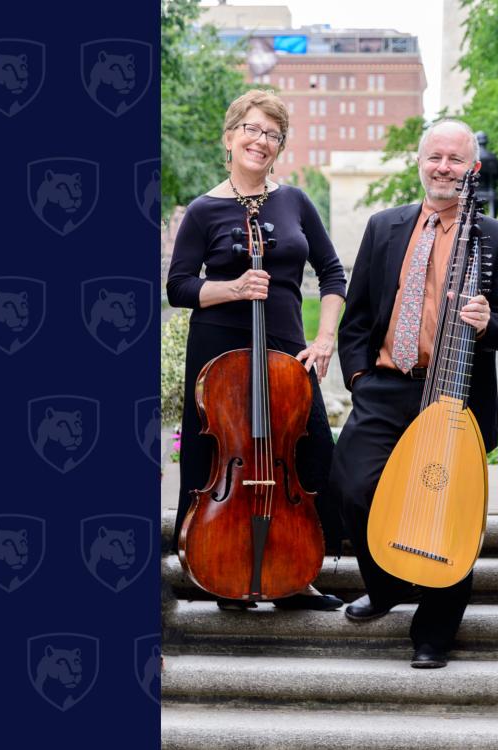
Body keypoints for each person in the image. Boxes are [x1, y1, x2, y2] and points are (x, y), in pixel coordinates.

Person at [329, 119, 498, 668]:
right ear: (420, 162)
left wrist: (491, 321)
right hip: (388, 386)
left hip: (457, 392)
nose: (444, 167)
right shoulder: (384, 226)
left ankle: (434, 633)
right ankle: (389, 583)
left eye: (456, 159)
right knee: (349, 486)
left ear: (473, 169)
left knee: (448, 509)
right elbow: (359, 314)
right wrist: (359, 378)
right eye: (435, 157)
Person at [166, 89, 347, 612]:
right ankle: (221, 565)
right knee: (222, 458)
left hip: (287, 348)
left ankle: (295, 573)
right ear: (229, 137)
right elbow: (180, 287)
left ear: (280, 146)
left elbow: (332, 273)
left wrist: (325, 338)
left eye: (272, 134)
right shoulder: (203, 210)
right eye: (251, 129)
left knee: (308, 451)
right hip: (219, 352)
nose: (261, 141)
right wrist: (234, 288)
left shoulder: (294, 201)